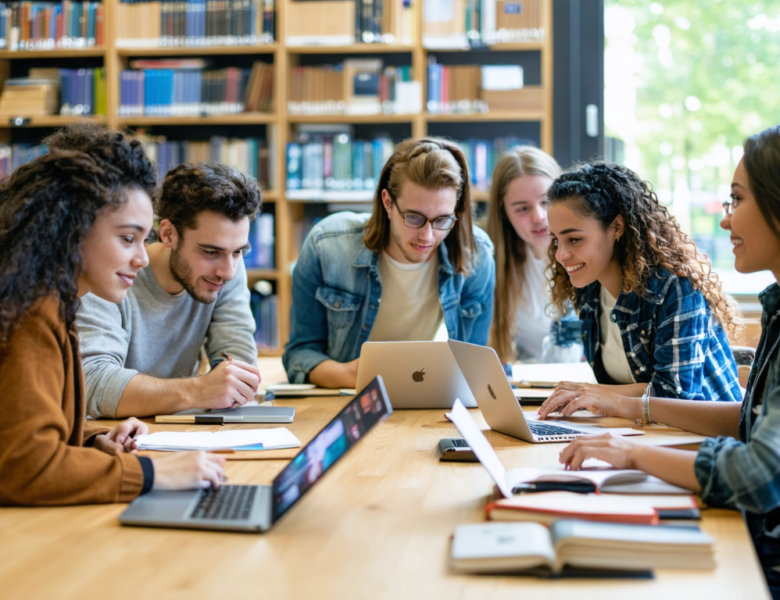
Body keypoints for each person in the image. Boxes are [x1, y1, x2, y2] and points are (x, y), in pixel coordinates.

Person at [554, 125, 780, 599]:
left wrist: (634, 449)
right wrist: (628, 417)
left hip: (757, 544)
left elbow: (758, 475)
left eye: (736, 201)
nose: (725, 222)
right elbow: (746, 422)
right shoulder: (777, 311)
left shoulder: (671, 287)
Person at [0, 133, 225, 506]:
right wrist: (153, 473)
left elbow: (17, 432)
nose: (141, 258)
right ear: (70, 231)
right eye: (126, 239)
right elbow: (26, 467)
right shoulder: (30, 316)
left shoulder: (52, 302)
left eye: (144, 240)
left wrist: (91, 440)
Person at [283, 137, 495, 388]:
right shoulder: (326, 245)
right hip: (344, 398)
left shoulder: (476, 253)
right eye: (414, 217)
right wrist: (352, 375)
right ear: (387, 202)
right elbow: (299, 354)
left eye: (442, 220)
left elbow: (473, 362)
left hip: (427, 398)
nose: (427, 236)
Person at [538, 161, 742, 417]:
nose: (560, 255)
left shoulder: (674, 288)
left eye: (574, 239)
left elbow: (675, 396)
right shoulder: (588, 290)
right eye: (556, 240)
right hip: (643, 434)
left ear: (617, 228)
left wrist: (593, 393)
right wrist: (589, 395)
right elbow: (612, 392)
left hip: (708, 442)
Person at [72, 156, 263, 419]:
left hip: (175, 434)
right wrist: (199, 390)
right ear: (168, 234)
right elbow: (92, 383)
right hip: (109, 439)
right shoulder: (111, 274)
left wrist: (228, 383)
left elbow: (238, 363)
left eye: (238, 252)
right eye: (210, 252)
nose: (227, 271)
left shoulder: (226, 268)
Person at [486, 146, 582, 364]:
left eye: (546, 202)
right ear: (504, 212)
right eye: (522, 209)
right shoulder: (492, 265)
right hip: (528, 385)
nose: (538, 217)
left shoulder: (589, 257)